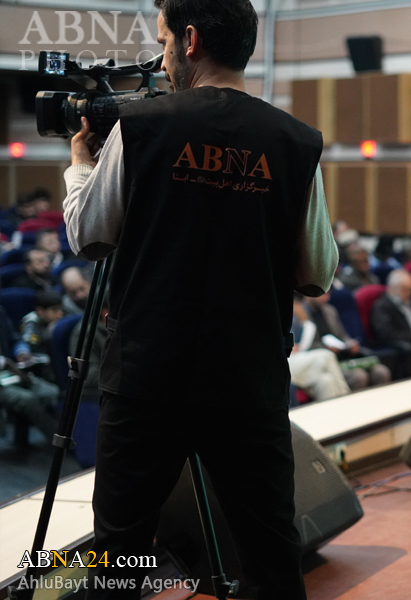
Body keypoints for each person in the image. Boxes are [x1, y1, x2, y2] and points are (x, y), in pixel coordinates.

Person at [61, 1, 337, 598]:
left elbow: (89, 236)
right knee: (270, 556)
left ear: (190, 41)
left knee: (118, 555)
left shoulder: (141, 125)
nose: (163, 59)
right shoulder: (297, 142)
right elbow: (317, 273)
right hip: (248, 377)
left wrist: (80, 165)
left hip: (146, 374)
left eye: (164, 43)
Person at [301, 292, 391, 391]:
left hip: (343, 355)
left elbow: (342, 335)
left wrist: (350, 344)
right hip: (323, 360)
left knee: (381, 371)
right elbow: (304, 345)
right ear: (308, 293)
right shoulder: (300, 314)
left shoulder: (330, 310)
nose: (326, 298)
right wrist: (326, 348)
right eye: (322, 294)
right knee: (359, 376)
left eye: (328, 294)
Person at [0, 305, 59, 445]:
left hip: (12, 372)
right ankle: (59, 442)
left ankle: (72, 434)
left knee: (52, 392)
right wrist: (6, 363)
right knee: (28, 400)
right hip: (4, 378)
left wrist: (22, 352)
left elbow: (14, 338)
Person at [288, 299, 351, 401]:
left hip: (301, 358)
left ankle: (334, 409)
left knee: (326, 380)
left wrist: (304, 321)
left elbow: (303, 346)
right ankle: (346, 396)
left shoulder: (304, 323)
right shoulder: (279, 320)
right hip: (286, 362)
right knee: (327, 355)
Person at [20, 289, 64, 358]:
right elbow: (31, 348)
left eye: (61, 309)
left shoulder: (60, 320)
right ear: (40, 311)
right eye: (54, 310)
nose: (60, 314)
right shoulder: (31, 323)